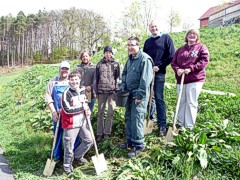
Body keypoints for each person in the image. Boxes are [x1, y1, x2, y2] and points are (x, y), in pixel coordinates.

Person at [119, 36, 153, 158]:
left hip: (139, 95)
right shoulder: (130, 59)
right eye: (128, 45)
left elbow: (145, 79)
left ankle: (139, 145)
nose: (130, 47)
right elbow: (124, 74)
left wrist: (140, 95)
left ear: (138, 45)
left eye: (132, 45)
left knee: (137, 118)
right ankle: (130, 141)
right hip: (129, 93)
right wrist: (123, 85)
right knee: (128, 117)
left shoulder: (145, 59)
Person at [171, 29, 209, 129]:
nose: (192, 35)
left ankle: (189, 126)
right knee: (181, 101)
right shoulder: (180, 49)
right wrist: (177, 69)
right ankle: (180, 124)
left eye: (194, 34)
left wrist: (191, 68)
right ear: (186, 36)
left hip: (195, 79)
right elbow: (173, 62)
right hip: (181, 80)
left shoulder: (201, 47)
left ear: (197, 37)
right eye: (190, 34)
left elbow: (204, 61)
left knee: (191, 102)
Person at [143, 20, 175, 136]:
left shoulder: (166, 38)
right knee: (150, 98)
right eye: (151, 27)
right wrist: (148, 68)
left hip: (159, 73)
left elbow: (171, 55)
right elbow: (144, 57)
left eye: (155, 26)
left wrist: (159, 66)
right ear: (149, 28)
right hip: (149, 73)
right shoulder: (147, 42)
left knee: (159, 98)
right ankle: (151, 119)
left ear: (159, 27)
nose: (154, 28)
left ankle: (162, 125)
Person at [45, 60, 79, 161]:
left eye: (66, 69)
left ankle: (72, 156)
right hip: (58, 114)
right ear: (59, 69)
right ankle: (57, 156)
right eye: (62, 68)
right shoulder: (53, 82)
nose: (64, 70)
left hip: (70, 115)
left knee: (73, 136)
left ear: (69, 70)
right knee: (57, 135)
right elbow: (48, 98)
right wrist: (53, 112)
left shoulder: (72, 82)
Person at [61, 71, 93, 174]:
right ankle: (67, 166)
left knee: (89, 140)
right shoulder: (66, 93)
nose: (74, 81)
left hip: (82, 122)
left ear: (80, 80)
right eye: (72, 79)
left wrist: (87, 110)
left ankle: (78, 156)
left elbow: (86, 103)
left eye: (76, 79)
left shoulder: (83, 90)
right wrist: (82, 108)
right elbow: (67, 110)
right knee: (69, 146)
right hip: (71, 123)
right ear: (69, 80)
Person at [94, 46, 120, 142]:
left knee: (110, 112)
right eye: (106, 52)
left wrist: (116, 89)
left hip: (112, 92)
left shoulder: (116, 64)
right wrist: (95, 91)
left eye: (110, 52)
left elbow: (117, 77)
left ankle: (107, 133)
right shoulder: (99, 64)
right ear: (104, 54)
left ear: (112, 54)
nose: (108, 54)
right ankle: (99, 133)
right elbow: (96, 79)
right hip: (101, 92)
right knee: (100, 113)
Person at [74, 50, 96, 115]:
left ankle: (88, 124)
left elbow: (97, 80)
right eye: (83, 56)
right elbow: (74, 79)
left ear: (89, 57)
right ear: (81, 58)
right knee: (80, 112)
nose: (85, 58)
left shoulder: (94, 68)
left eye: (86, 56)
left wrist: (91, 87)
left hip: (90, 93)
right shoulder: (77, 68)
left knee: (89, 112)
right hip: (80, 93)